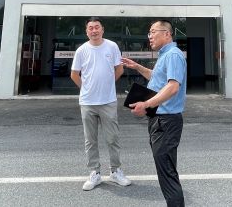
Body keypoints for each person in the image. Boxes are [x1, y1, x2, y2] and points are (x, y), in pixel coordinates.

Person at [122, 20, 187, 207]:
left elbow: (173, 87)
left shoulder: (173, 55)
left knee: (167, 173)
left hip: (166, 121)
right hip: (160, 120)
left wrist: (146, 104)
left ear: (167, 33)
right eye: (149, 33)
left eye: (153, 32)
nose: (149, 36)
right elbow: (157, 78)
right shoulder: (165, 55)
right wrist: (137, 67)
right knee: (166, 170)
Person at [71, 17, 131, 191]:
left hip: (108, 101)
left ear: (102, 29)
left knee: (112, 138)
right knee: (90, 140)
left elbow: (119, 69)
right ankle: (94, 173)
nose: (94, 30)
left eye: (97, 27)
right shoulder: (82, 50)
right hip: (87, 102)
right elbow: (74, 74)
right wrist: (86, 88)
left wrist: (107, 84)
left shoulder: (112, 46)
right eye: (90, 28)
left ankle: (115, 171)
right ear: (86, 31)